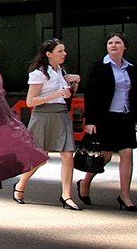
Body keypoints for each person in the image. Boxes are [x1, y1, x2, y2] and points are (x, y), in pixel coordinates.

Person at [13, 38, 81, 209]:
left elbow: (68, 95)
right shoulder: (39, 73)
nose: (64, 54)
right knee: (41, 157)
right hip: (43, 115)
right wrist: (55, 94)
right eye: (60, 51)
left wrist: (76, 82)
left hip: (61, 114)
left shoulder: (62, 72)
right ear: (48, 54)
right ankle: (20, 184)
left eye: (64, 50)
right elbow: (30, 101)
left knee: (68, 155)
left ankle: (66, 195)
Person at [77, 32, 136, 211]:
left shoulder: (131, 68)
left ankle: (125, 195)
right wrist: (90, 120)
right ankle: (85, 182)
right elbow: (91, 94)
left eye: (117, 42)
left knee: (127, 154)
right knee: (106, 155)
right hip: (104, 118)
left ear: (125, 46)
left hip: (125, 116)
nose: (113, 45)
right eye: (110, 43)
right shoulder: (98, 67)